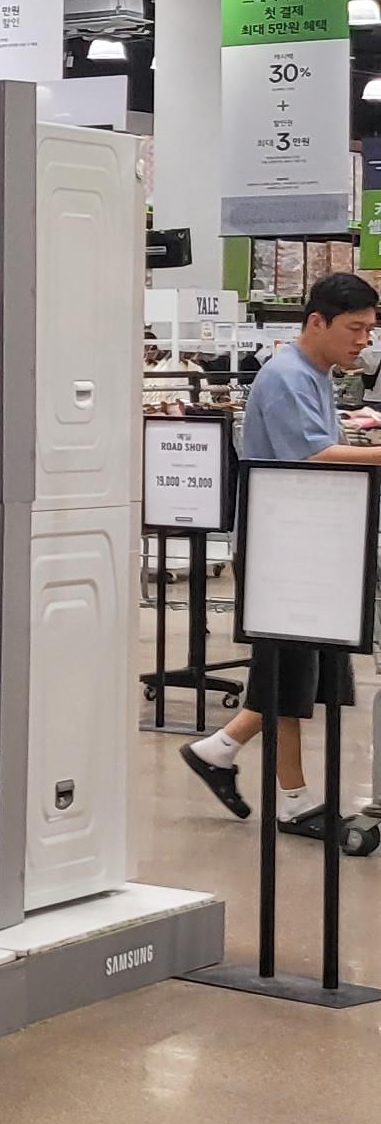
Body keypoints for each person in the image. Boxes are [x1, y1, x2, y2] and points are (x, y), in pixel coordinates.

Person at [183, 271, 381, 834]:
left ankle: (228, 756)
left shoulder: (314, 373)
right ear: (316, 321)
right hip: (280, 548)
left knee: (296, 674)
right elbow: (314, 455)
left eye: (369, 329)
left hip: (305, 541)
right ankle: (276, 790)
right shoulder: (288, 376)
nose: (364, 340)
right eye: (355, 328)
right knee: (288, 675)